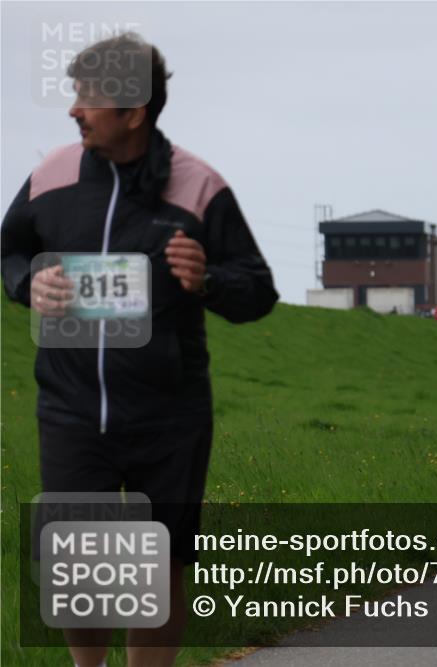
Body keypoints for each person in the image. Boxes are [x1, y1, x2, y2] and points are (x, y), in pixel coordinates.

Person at [0, 34, 279, 667]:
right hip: (71, 409)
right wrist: (27, 281)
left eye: (88, 97)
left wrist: (206, 279)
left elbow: (258, 291)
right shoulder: (51, 175)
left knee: (161, 564)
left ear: (133, 111)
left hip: (168, 414)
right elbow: (8, 249)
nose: (74, 110)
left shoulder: (199, 186)